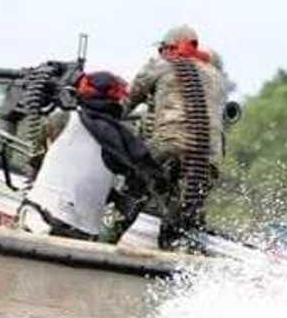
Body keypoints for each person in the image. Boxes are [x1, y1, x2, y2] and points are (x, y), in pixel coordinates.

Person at [19, 71, 163, 241]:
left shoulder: (60, 120)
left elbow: (36, 163)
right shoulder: (125, 141)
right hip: (84, 235)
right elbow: (139, 187)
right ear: (117, 100)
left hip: (38, 218)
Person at [122, 25, 228, 250]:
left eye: (162, 49)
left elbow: (125, 102)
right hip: (209, 158)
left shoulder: (162, 65)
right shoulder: (216, 75)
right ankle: (178, 251)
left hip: (167, 147)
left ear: (168, 48)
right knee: (186, 213)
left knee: (134, 186)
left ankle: (108, 236)